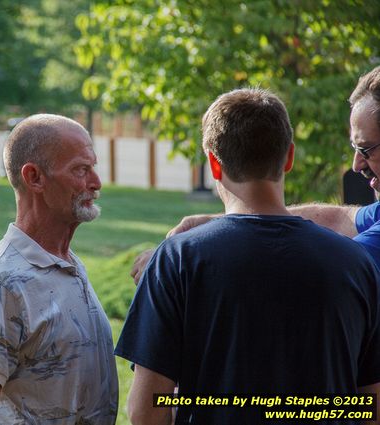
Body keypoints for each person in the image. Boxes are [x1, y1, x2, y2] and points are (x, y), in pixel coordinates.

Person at [115, 88, 380, 424]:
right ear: (289, 157)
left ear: (213, 163)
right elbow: (371, 404)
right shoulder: (355, 264)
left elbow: (146, 410)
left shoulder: (177, 261)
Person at [131, 65, 380, 284]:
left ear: (213, 165)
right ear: (289, 157)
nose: (357, 164)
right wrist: (221, 223)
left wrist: (171, 264)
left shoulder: (353, 261)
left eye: (365, 149)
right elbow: (340, 219)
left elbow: (310, 266)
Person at [0, 114, 118, 425]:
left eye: (93, 168)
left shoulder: (67, 262)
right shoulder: (1, 282)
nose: (96, 183)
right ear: (34, 177)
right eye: (81, 170)